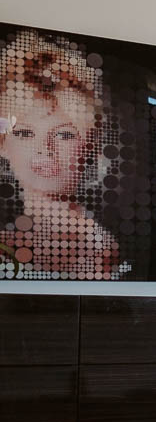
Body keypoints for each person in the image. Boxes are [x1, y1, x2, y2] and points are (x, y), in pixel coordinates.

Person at [0, 29, 120, 279]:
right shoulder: (9, 242)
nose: (44, 149)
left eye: (64, 135)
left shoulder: (100, 251)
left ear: (90, 145)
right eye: (23, 133)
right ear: (3, 145)